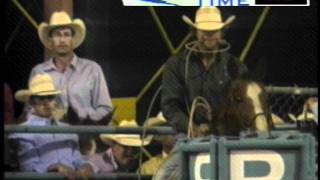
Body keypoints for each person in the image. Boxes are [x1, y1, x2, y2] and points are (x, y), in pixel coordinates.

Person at [27, 11, 113, 154]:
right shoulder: (39, 72)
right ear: (50, 42)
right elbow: (30, 110)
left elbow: (105, 109)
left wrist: (80, 117)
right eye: (57, 35)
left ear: (73, 40)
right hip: (51, 141)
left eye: (66, 34)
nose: (62, 40)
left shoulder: (92, 69)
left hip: (87, 141)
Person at [161, 7, 248, 135]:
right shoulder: (176, 65)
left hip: (227, 137)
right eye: (204, 31)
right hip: (186, 138)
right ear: (195, 32)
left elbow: (243, 103)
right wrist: (191, 128)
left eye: (214, 31)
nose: (209, 35)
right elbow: (170, 105)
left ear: (221, 32)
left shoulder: (236, 66)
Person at [8, 74, 94, 180]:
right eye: (41, 98)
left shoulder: (68, 130)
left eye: (50, 97)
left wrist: (85, 165)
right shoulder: (22, 132)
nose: (46, 102)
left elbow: (77, 158)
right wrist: (54, 169)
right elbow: (29, 169)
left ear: (55, 100)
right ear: (31, 101)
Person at [87, 119, 152, 173]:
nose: (129, 152)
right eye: (125, 146)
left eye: (134, 148)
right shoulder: (95, 164)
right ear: (113, 144)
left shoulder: (138, 166)